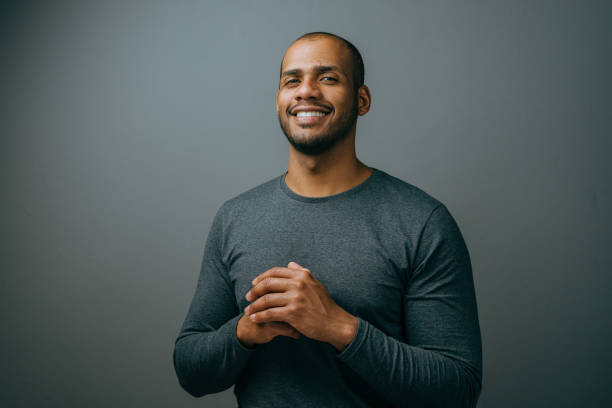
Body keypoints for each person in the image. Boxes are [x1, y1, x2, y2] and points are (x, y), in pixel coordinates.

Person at [173, 31, 482, 407]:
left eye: (328, 78)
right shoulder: (235, 218)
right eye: (292, 80)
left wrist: (339, 327)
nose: (306, 91)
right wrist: (244, 330)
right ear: (279, 101)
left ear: (362, 100)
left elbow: (458, 388)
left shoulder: (421, 221)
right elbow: (190, 371)